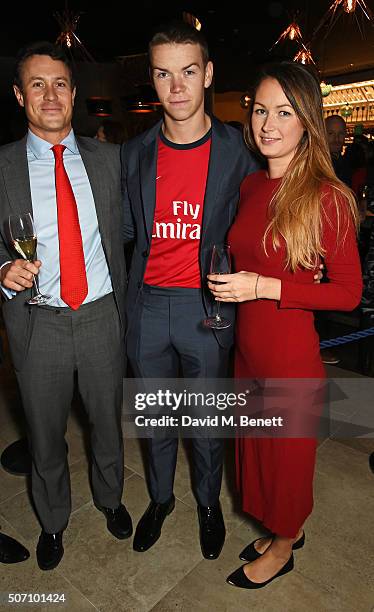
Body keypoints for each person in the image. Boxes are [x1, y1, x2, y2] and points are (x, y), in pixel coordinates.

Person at [208, 61, 362, 588]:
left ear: (307, 122)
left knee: (288, 463)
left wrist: (265, 286)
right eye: (259, 111)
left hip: (290, 356)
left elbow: (348, 293)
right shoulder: (252, 186)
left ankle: (285, 545)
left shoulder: (327, 196)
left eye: (284, 112)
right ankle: (280, 529)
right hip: (246, 348)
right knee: (257, 455)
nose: (268, 124)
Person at [121, 21, 258, 559]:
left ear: (207, 75)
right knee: (155, 419)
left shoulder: (238, 149)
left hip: (208, 310)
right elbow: (124, 234)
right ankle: (160, 499)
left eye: (188, 72)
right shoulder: (134, 155)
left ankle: (207, 503)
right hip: (148, 306)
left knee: (204, 425)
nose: (176, 87)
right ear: (152, 82)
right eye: (163, 74)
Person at [0, 41, 132, 571]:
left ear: (74, 94)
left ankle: (110, 499)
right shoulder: (3, 166)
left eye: (59, 84)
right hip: (39, 324)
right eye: (37, 84)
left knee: (107, 423)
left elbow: (136, 230)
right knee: (45, 434)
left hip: (102, 315)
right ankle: (53, 523)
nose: (50, 95)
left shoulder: (110, 159)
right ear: (19, 95)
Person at [325, 114, 352, 186]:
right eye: (331, 133)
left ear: (345, 135)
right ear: (323, 134)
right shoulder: (315, 163)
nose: (336, 139)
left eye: (340, 133)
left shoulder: (347, 163)